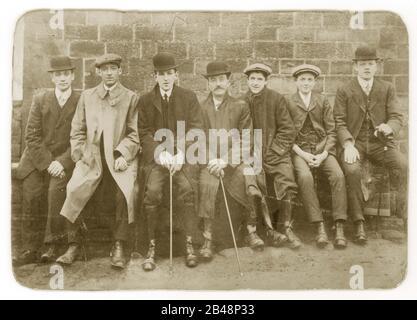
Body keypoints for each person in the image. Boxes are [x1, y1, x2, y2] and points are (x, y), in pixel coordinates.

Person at [57, 53, 140, 269]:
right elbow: (77, 130)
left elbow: (134, 134)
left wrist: (123, 154)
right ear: (99, 72)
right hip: (91, 158)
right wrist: (80, 154)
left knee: (125, 192)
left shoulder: (131, 97)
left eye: (113, 68)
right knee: (74, 188)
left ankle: (119, 244)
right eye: (105, 69)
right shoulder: (88, 96)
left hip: (117, 161)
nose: (109, 73)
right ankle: (73, 244)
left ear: (120, 71)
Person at [333, 45, 407, 244]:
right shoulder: (344, 89)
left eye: (371, 64)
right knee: (352, 170)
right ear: (355, 67)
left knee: (405, 166)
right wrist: (347, 144)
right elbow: (338, 121)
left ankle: (407, 217)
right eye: (363, 64)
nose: (367, 68)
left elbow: (397, 117)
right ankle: (359, 223)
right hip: (355, 143)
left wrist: (389, 127)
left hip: (379, 143)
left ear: (376, 67)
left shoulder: (386, 88)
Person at [137, 52, 204, 271]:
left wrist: (181, 154)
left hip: (182, 158)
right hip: (158, 160)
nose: (165, 78)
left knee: (186, 188)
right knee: (153, 192)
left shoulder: (188, 97)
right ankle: (152, 246)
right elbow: (144, 132)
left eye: (169, 73)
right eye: (161, 74)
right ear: (154, 76)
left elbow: (196, 128)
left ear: (176, 75)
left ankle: (189, 244)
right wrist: (160, 154)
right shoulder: (146, 100)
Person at [14, 56, 80, 266]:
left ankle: (51, 244)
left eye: (66, 74)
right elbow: (31, 135)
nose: (62, 79)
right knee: (31, 193)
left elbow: (82, 136)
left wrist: (61, 162)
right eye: (58, 75)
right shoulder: (41, 99)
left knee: (55, 192)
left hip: (63, 161)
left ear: (72, 76)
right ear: (52, 78)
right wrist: (48, 163)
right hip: (36, 160)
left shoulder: (80, 101)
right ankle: (29, 248)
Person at [198, 61, 265, 261]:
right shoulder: (200, 108)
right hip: (209, 163)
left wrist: (226, 161)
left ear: (228, 82)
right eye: (213, 80)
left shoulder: (240, 106)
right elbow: (197, 138)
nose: (217, 84)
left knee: (249, 176)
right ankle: (207, 238)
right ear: (208, 84)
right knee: (207, 184)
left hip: (234, 161)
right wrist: (213, 161)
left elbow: (246, 139)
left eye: (221, 79)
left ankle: (251, 230)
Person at [287, 64, 348, 249]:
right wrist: (302, 153)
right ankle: (319, 226)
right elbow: (285, 134)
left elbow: (332, 131)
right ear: (296, 82)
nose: (306, 83)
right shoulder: (288, 102)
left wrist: (323, 155)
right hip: (300, 150)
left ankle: (339, 225)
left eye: (309, 80)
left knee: (338, 175)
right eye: (302, 79)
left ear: (314, 82)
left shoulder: (323, 101)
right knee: (304, 177)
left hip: (322, 149)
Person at [243, 63, 301, 249]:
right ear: (247, 81)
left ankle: (287, 227)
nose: (255, 82)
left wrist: (274, 152)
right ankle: (264, 232)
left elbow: (287, 130)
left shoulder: (276, 100)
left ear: (266, 81)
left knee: (287, 181)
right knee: (254, 184)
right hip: (252, 155)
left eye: (259, 79)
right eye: (252, 78)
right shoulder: (241, 101)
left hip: (276, 154)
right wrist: (251, 154)